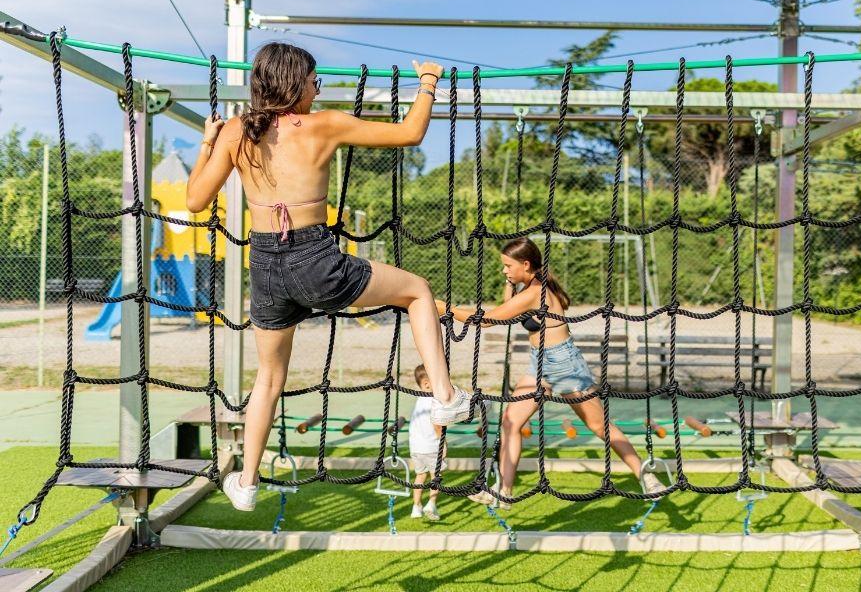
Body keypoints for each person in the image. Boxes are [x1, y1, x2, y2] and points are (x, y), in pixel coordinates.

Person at [185, 42, 471, 512]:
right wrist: (428, 83)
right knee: (417, 290)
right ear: (293, 82)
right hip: (314, 260)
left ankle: (248, 482)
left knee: (268, 378)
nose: (319, 87)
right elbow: (410, 133)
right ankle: (445, 396)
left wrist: (206, 143)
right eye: (314, 79)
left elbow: (196, 201)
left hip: (265, 267)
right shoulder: (325, 124)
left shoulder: (237, 131)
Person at [438, 237, 663, 508]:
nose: (504, 271)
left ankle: (646, 477)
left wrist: (443, 308)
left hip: (565, 365)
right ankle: (504, 492)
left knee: (599, 426)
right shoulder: (530, 287)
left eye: (508, 266)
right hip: (539, 363)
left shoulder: (536, 292)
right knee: (511, 421)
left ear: (526, 264)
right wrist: (510, 282)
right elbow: (509, 310)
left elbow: (488, 320)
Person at [409, 364, 445, 521]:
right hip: (431, 446)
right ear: (426, 384)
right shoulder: (434, 401)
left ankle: (416, 507)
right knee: (436, 476)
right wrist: (444, 444)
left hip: (416, 447)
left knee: (420, 476)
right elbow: (437, 425)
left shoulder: (420, 400)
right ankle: (431, 503)